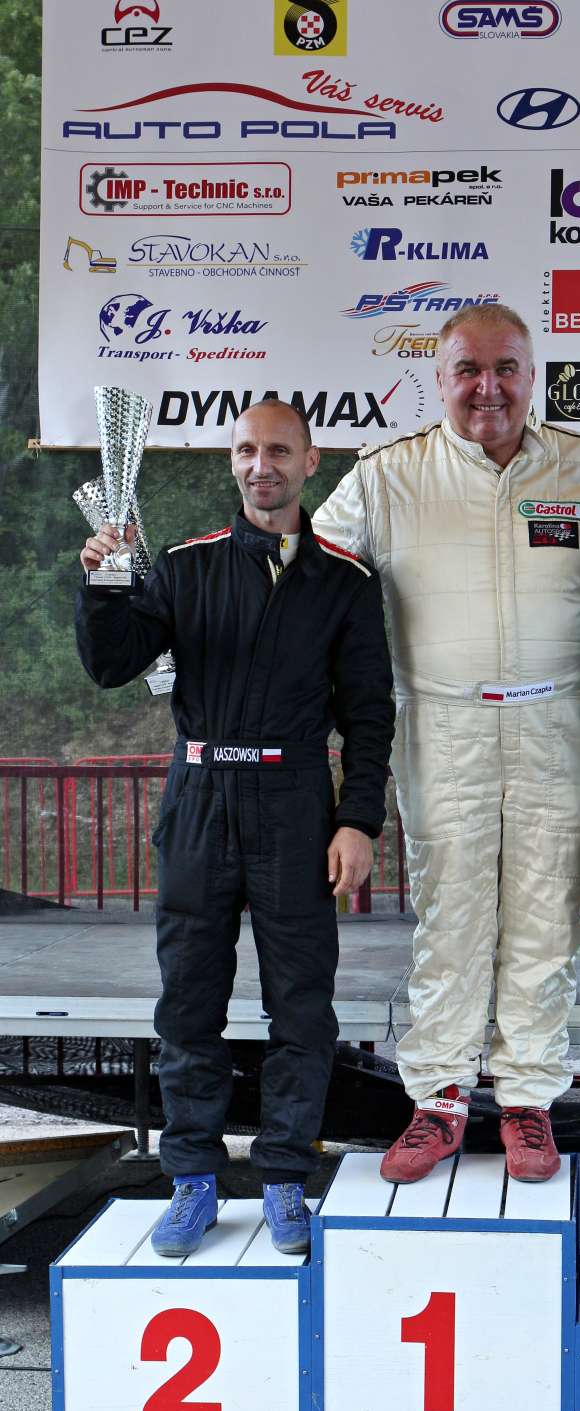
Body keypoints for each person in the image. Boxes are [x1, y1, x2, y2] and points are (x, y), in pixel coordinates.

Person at [312, 304, 580, 1184]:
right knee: (450, 917)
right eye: (468, 370)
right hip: (442, 723)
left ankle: (527, 1100)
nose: (488, 387)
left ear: (534, 374)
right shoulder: (386, 476)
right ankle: (440, 1097)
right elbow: (301, 572)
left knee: (546, 917)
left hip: (556, 722)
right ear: (440, 378)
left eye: (506, 368)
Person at [76, 400, 394, 1255]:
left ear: (311, 461)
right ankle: (192, 1179)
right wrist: (103, 582)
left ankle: (286, 1176)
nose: (262, 465)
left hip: (296, 802)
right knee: (189, 1002)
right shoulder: (185, 564)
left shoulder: (345, 581)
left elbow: (369, 715)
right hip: (201, 795)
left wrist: (358, 820)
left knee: (302, 1005)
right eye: (247, 450)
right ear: (232, 461)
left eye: (279, 450)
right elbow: (111, 664)